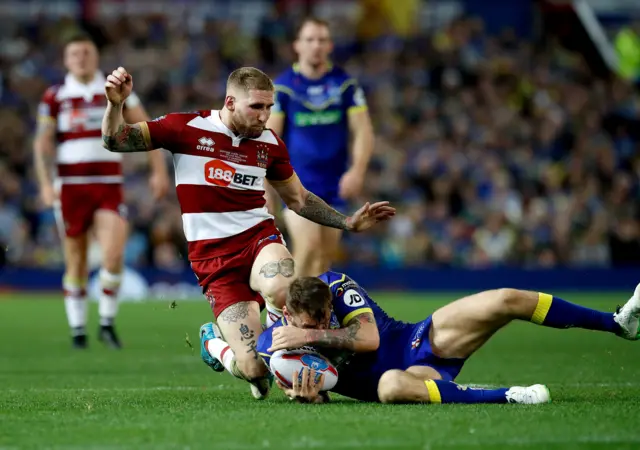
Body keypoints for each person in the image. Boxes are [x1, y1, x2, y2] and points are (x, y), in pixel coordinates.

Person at [101, 66, 395, 399]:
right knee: (255, 370)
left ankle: (289, 354)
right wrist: (115, 105)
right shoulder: (185, 128)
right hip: (214, 262)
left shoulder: (269, 144)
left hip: (258, 240)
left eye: (269, 107)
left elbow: (298, 199)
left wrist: (346, 222)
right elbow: (115, 140)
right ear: (229, 102)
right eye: (257, 107)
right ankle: (216, 344)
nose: (265, 116)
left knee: (281, 285)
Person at [252, 273, 640, 404]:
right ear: (288, 313)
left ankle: (618, 322)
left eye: (325, 314)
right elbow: (317, 384)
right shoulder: (279, 342)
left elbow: (368, 339)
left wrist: (312, 331)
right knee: (389, 387)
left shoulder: (335, 285)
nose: (323, 320)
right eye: (313, 319)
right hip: (403, 377)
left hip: (414, 339)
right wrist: (305, 394)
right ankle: (506, 395)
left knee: (505, 299)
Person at [34, 34, 170, 349]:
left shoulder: (113, 89)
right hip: (70, 187)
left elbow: (146, 127)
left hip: (108, 184)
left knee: (112, 254)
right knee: (77, 260)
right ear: (66, 60)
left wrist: (159, 170)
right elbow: (42, 141)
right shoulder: (56, 95)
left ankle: (107, 323)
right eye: (74, 54)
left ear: (95, 57)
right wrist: (43, 182)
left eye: (86, 52)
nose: (81, 58)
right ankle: (78, 330)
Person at [264, 17, 374, 279]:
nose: (316, 45)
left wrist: (357, 171)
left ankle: (309, 316)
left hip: (333, 184)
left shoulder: (345, 85)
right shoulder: (283, 88)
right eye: (310, 39)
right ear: (297, 45)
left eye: (322, 40)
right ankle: (283, 313)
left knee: (323, 259)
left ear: (330, 46)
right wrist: (266, 189)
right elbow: (269, 139)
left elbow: (363, 131)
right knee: (309, 246)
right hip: (297, 184)